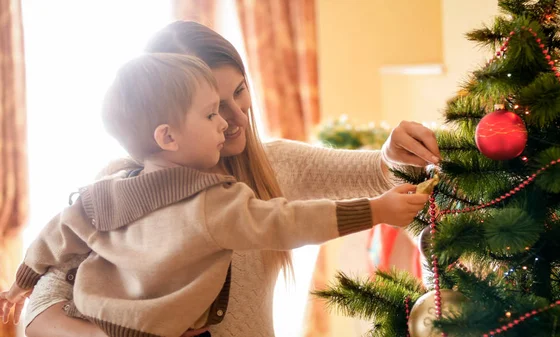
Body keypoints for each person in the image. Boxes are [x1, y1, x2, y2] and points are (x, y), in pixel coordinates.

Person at [23, 21, 441, 337]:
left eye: (240, 91)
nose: (238, 118)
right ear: (166, 124)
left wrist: (394, 151)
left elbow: (378, 173)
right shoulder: (123, 184)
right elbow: (40, 304)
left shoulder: (274, 164)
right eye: (214, 108)